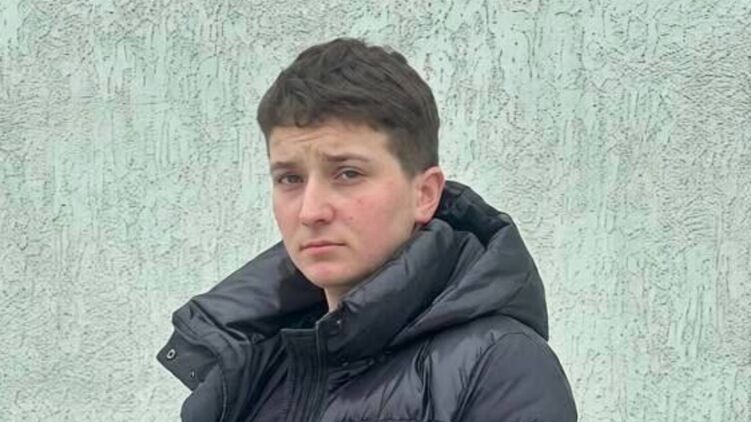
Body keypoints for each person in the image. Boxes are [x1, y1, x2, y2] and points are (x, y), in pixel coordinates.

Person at [157, 37, 577, 422]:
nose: (311, 211)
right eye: (289, 178)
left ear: (424, 194)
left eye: (348, 174)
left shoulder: (499, 366)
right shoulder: (252, 367)